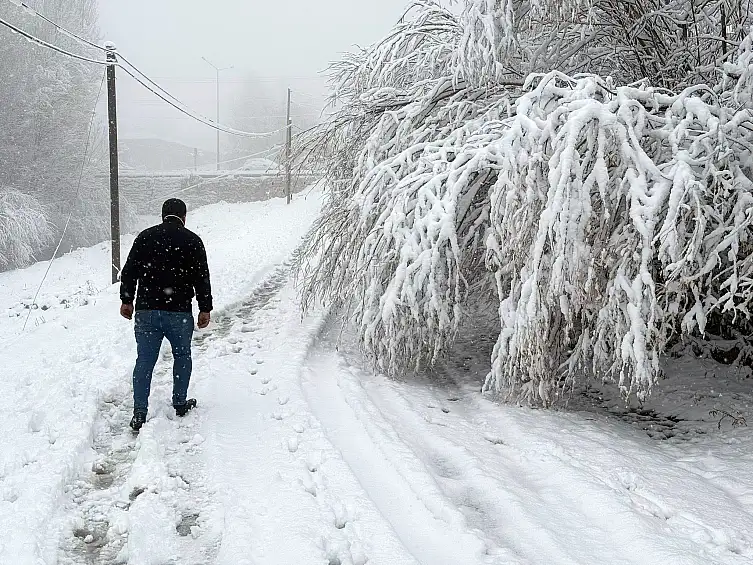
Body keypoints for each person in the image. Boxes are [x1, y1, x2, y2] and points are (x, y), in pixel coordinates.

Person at [120, 198, 213, 431]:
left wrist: (127, 300)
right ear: (184, 217)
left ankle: (139, 411)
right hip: (178, 312)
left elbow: (129, 271)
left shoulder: (145, 237)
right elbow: (202, 277)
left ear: (163, 216)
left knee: (145, 360)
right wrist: (205, 308)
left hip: (147, 311)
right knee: (182, 356)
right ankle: (179, 402)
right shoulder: (192, 241)